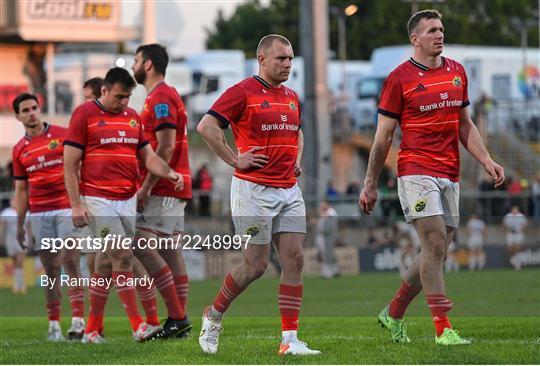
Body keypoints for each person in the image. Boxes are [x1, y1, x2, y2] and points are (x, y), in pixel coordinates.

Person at [359, 10, 504, 346]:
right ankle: (443, 329)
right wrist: (370, 182)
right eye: (431, 31)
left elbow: (464, 125)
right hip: (415, 171)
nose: (440, 35)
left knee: (435, 254)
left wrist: (486, 160)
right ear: (415, 39)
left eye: (441, 29)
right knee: (435, 242)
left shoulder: (457, 72)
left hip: (449, 173)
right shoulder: (398, 79)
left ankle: (392, 313)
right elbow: (383, 137)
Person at [197, 34, 320, 355]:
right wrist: (235, 159)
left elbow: (298, 131)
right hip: (253, 191)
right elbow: (207, 127)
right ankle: (213, 315)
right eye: (281, 58)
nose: (288, 64)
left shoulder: (292, 96)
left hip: (288, 189)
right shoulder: (242, 92)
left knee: (295, 259)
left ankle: (289, 340)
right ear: (262, 59)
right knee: (255, 266)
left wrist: (296, 157)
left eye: (291, 58)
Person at [63, 67, 183, 343]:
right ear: (104, 91)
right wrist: (76, 204)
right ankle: (139, 326)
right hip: (97, 201)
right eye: (119, 96)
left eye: (128, 97)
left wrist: (168, 172)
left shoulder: (131, 118)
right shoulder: (84, 114)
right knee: (123, 256)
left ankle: (91, 330)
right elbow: (70, 164)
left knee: (105, 264)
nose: (124, 103)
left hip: (126, 201)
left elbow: (148, 157)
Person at [11, 93, 87, 341]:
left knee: (72, 261)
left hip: (67, 207)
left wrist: (81, 201)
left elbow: (80, 165)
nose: (31, 112)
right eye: (25, 110)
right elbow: (22, 190)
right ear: (18, 116)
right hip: (40, 213)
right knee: (51, 270)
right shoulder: (19, 150)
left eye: (34, 107)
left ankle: (78, 321)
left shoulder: (63, 135)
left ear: (38, 109)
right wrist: (20, 224)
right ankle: (54, 325)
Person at [131, 43, 193, 338]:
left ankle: (176, 316)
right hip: (172, 185)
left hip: (163, 186)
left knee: (139, 244)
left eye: (135, 60)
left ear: (147, 65)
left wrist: (146, 187)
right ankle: (178, 320)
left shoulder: (161, 96)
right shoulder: (163, 95)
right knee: (169, 250)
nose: (132, 65)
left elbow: (166, 145)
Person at [0, 198, 29, 294]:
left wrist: (33, 239)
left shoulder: (26, 212)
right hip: (10, 239)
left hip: (23, 239)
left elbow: (29, 226)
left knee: (20, 260)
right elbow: (2, 226)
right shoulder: (6, 213)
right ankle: (19, 283)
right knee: (15, 262)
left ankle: (19, 285)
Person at [316, 200, 340, 279]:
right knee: (328, 254)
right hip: (325, 236)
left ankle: (328, 273)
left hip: (328, 236)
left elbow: (329, 223)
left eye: (323, 205)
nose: (322, 206)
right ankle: (335, 270)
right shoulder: (327, 213)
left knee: (327, 254)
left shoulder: (331, 212)